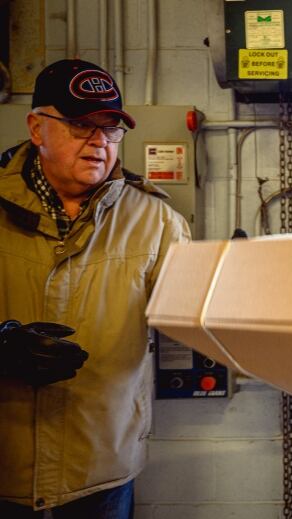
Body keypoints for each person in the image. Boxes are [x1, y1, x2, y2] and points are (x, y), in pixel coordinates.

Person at [0, 59, 190, 518]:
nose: (98, 142)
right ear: (37, 128)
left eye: (110, 129)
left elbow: (194, 321)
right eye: (82, 125)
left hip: (100, 467)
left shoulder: (159, 222)